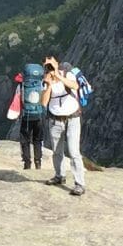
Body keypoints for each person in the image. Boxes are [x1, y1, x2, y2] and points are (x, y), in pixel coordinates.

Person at [44, 56, 85, 196]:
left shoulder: (68, 73)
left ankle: (79, 184)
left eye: (51, 64)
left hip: (72, 118)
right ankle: (59, 175)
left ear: (57, 64)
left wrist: (59, 76)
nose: (49, 68)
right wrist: (49, 84)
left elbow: (75, 86)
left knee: (74, 152)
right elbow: (43, 102)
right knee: (56, 151)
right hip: (55, 119)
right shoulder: (46, 80)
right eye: (47, 66)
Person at [15, 71, 46, 172]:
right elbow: (45, 99)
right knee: (37, 140)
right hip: (38, 116)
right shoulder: (41, 84)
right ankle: (38, 162)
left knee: (25, 140)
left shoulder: (22, 85)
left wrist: (18, 115)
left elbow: (18, 100)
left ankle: (27, 163)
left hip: (26, 116)